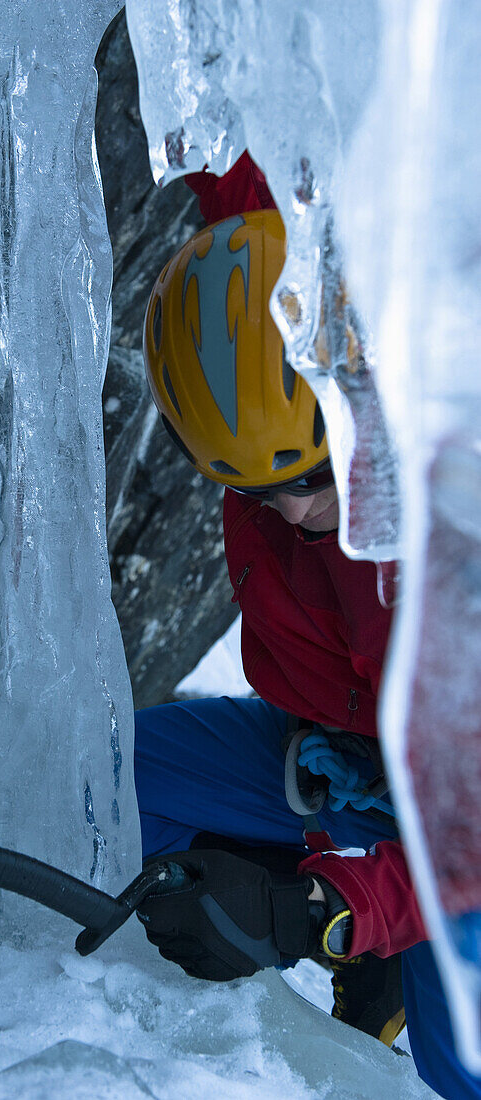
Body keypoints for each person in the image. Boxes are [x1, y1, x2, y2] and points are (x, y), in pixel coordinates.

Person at [134, 153, 480, 1100]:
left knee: (467, 1058)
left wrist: (323, 910)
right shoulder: (287, 322)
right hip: (344, 764)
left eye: (314, 481)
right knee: (110, 781)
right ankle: (366, 956)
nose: (292, 514)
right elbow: (250, 207)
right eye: (256, 490)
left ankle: (377, 948)